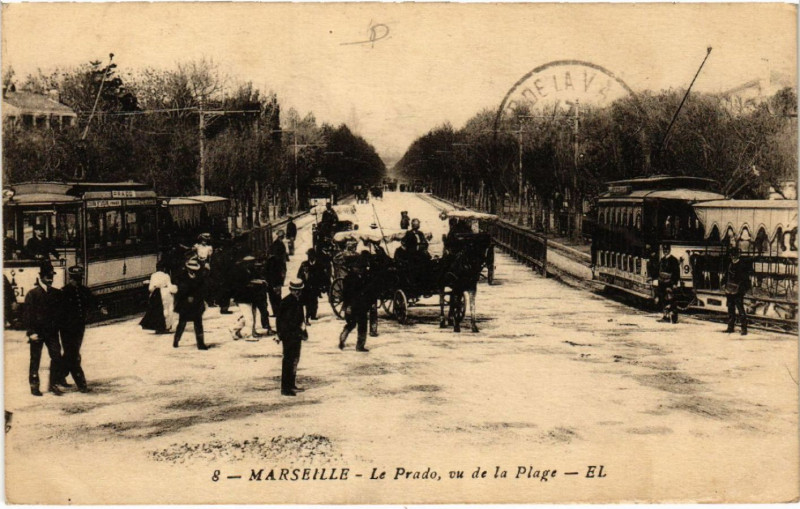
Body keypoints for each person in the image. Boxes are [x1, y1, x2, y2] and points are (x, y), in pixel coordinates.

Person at [24, 264, 64, 396]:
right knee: (35, 359)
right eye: (48, 277)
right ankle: (34, 386)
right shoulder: (32, 294)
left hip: (52, 333)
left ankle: (53, 384)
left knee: (56, 356)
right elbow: (28, 315)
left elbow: (60, 313)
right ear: (41, 277)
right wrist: (31, 333)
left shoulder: (56, 293)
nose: (50, 279)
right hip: (37, 332)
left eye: (52, 277)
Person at [59, 266, 93, 393]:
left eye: (78, 279)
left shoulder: (85, 290)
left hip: (79, 327)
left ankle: (59, 375)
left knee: (70, 353)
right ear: (70, 278)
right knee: (73, 355)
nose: (76, 281)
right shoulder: (64, 292)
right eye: (74, 279)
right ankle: (81, 383)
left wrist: (101, 307)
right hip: (67, 328)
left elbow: (92, 301)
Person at [276, 279, 307, 396]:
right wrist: (280, 334)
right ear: (290, 289)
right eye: (295, 290)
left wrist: (303, 331)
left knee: (295, 360)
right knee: (288, 361)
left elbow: (301, 318)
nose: (297, 292)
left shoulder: (298, 300)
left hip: (296, 335)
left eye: (299, 290)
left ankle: (291, 385)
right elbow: (281, 321)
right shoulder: (286, 302)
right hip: (289, 335)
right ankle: (285, 388)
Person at [339, 252, 374, 352]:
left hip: (362, 306)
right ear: (354, 268)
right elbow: (346, 295)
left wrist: (370, 303)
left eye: (363, 268)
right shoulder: (349, 279)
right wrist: (347, 306)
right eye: (359, 268)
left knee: (363, 325)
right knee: (351, 324)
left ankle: (360, 346)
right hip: (352, 306)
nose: (361, 270)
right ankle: (342, 338)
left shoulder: (366, 278)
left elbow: (370, 292)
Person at [173, 259, 209, 350]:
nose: (193, 270)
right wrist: (187, 296)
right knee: (182, 323)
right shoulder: (182, 276)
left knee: (198, 323)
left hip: (197, 303)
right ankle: (176, 340)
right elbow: (180, 289)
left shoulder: (199, 276)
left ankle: (200, 344)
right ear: (188, 268)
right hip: (185, 303)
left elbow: (202, 288)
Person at [140, 261, 177, 334]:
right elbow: (169, 286)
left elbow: (150, 288)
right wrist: (174, 289)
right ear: (164, 268)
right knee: (167, 310)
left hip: (156, 294)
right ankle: (166, 327)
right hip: (165, 293)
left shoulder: (153, 275)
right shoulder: (166, 276)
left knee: (156, 311)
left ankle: (157, 327)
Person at [722, 247, 751, 336]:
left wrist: (743, 289)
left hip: (738, 290)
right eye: (732, 256)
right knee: (730, 309)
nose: (733, 257)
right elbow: (726, 275)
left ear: (737, 256)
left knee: (740, 309)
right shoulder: (730, 264)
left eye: (734, 255)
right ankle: (730, 327)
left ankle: (744, 329)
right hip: (729, 289)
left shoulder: (742, 265)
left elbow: (746, 279)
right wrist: (723, 284)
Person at [297, 248, 325, 323]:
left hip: (315, 286)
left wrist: (322, 285)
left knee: (314, 301)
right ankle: (307, 315)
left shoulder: (319, 264)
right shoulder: (304, 264)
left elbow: (323, 276)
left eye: (311, 255)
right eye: (308, 255)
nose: (309, 257)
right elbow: (298, 275)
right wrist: (304, 275)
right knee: (307, 301)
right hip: (306, 286)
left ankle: (313, 315)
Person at [656, 244, 681, 324]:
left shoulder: (673, 260)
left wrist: (674, 283)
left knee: (671, 300)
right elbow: (659, 271)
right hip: (662, 283)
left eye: (667, 250)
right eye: (664, 250)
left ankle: (673, 318)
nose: (665, 251)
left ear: (669, 250)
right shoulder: (662, 259)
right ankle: (665, 316)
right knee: (663, 300)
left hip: (670, 283)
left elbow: (676, 273)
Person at [265, 249, 286, 319]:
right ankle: (278, 312)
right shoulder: (278, 260)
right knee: (277, 298)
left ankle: (277, 312)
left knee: (274, 298)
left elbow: (271, 274)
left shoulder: (271, 261)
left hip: (273, 283)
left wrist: (273, 284)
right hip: (276, 283)